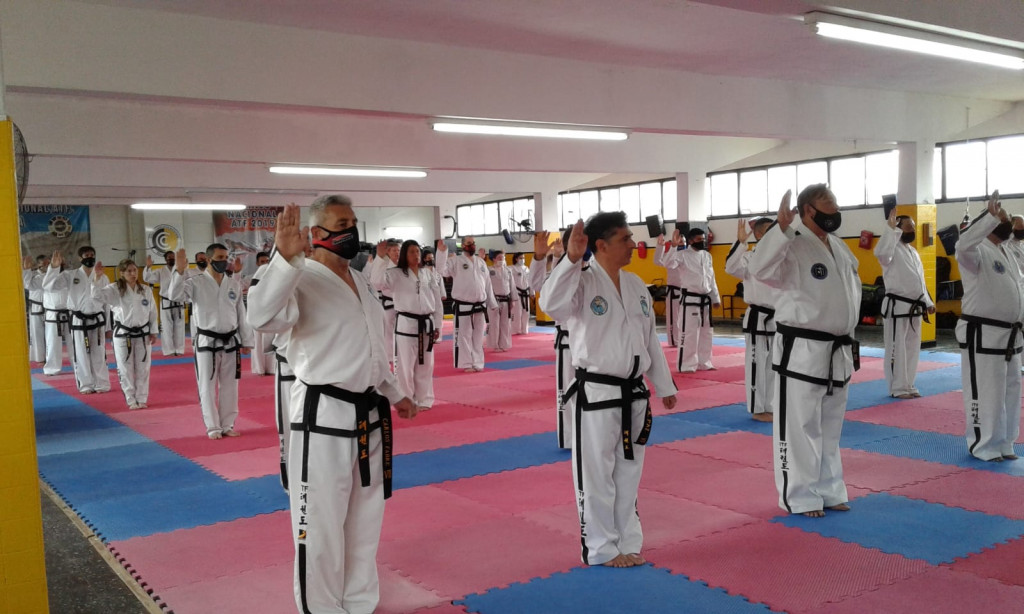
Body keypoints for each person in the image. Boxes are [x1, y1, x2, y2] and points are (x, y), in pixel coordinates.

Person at [246, 196, 418, 614]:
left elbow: (373, 347)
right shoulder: (297, 277)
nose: (351, 231)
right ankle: (321, 607)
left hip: (368, 412)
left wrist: (395, 392)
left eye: (353, 222)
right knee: (320, 523)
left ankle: (358, 601)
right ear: (316, 233)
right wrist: (284, 260)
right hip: (322, 414)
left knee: (364, 518)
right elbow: (260, 317)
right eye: (342, 224)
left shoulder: (359, 279)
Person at [540, 213, 678, 568]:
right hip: (597, 394)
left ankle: (627, 540)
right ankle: (601, 546)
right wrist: (571, 259)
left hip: (634, 393)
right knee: (596, 475)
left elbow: (649, 340)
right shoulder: (581, 282)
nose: (633, 244)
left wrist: (663, 384)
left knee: (628, 471)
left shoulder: (636, 284)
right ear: (601, 245)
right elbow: (550, 305)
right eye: (625, 239)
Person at [748, 185, 860, 517]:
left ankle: (829, 489)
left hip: (837, 350)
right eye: (830, 204)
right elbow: (758, 269)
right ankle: (798, 495)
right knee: (800, 427)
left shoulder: (838, 246)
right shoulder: (791, 242)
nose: (835, 211)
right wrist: (780, 229)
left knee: (829, 427)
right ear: (809, 209)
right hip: (802, 350)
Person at [953, 191, 1023, 462]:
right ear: (988, 223)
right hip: (983, 333)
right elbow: (962, 245)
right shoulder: (975, 251)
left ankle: (1005, 442)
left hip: (1011, 334)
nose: (1008, 223)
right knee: (986, 390)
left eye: (1005, 218)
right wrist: (989, 217)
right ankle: (983, 444)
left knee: (1011, 390)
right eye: (1002, 219)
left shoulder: (1007, 251)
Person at [167, 243, 254, 439]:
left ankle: (227, 424)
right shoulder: (195, 282)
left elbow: (241, 313)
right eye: (220, 258)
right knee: (206, 386)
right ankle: (213, 426)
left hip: (231, 340)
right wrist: (179, 271)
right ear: (208, 260)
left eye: (226, 258)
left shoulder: (232, 284)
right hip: (207, 341)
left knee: (230, 386)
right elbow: (175, 296)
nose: (224, 262)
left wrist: (246, 340)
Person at [875, 210, 936, 399]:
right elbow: (881, 253)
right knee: (896, 349)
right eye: (908, 227)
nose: (913, 230)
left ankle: (908, 384)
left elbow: (919, 281)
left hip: (915, 307)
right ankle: (897, 387)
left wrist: (927, 302)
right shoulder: (891, 249)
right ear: (898, 229)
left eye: (913, 227)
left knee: (912, 348)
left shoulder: (913, 252)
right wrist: (889, 230)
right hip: (897, 307)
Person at [376, 240, 443, 407]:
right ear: (405, 255)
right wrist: (380, 258)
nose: (416, 255)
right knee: (405, 366)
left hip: (427, 323)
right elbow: (376, 282)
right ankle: (407, 399)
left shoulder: (427, 273)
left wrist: (437, 325)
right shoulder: (395, 273)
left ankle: (424, 399)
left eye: (417, 251)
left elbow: (437, 300)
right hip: (406, 324)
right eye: (412, 252)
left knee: (426, 364)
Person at [725, 216, 779, 422]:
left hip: (778, 317)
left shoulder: (780, 256)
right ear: (758, 234)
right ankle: (757, 408)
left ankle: (770, 405)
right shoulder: (748, 258)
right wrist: (740, 243)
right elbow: (730, 268)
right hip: (758, 317)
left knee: (773, 366)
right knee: (757, 365)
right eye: (769, 230)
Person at [43, 246, 112, 394]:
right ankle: (85, 384)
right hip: (79, 319)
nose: (90, 257)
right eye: (86, 255)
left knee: (99, 352)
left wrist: (108, 327)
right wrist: (54, 268)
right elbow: (48, 287)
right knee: (80, 353)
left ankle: (101, 383)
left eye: (92, 254)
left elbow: (107, 303)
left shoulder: (102, 276)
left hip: (98, 318)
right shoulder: (70, 275)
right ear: (80, 258)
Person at [92, 259, 158, 409]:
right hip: (123, 334)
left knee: (143, 368)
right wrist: (97, 278)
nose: (133, 273)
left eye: (135, 270)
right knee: (125, 368)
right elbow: (96, 296)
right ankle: (130, 399)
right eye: (129, 271)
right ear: (122, 273)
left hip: (142, 333)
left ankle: (142, 398)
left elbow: (152, 312)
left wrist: (153, 331)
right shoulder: (114, 289)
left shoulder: (145, 290)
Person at [531, 232, 574, 449]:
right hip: (568, 339)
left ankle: (594, 435)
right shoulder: (559, 270)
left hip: (595, 340)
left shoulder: (596, 269)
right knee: (567, 389)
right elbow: (537, 284)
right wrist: (540, 257)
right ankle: (569, 437)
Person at [664, 227, 721, 372]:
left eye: (703, 239)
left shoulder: (707, 256)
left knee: (706, 334)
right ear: (690, 241)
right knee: (689, 334)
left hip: (705, 300)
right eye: (699, 239)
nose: (702, 242)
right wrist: (673, 247)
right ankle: (686, 364)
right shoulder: (682, 255)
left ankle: (704, 362)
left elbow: (711, 278)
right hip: (690, 300)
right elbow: (667, 263)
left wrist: (715, 298)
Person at [436, 236, 496, 372]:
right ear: (463, 245)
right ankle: (466, 363)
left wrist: (492, 303)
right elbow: (441, 271)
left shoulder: (481, 262)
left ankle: (478, 362)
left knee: (478, 336)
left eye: (473, 243)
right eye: (469, 243)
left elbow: (487, 284)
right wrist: (441, 253)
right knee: (463, 336)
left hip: (480, 305)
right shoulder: (455, 261)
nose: (472, 245)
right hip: (463, 305)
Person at [144, 250, 186, 356]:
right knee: (166, 327)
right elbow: (147, 278)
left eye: (173, 257)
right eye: (169, 257)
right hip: (166, 301)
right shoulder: (161, 271)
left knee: (179, 326)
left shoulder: (181, 270)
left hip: (179, 301)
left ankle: (179, 349)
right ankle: (169, 350)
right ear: (165, 260)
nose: (171, 259)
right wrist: (148, 267)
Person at [370, 239, 401, 368]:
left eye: (398, 250)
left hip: (404, 305)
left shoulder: (403, 265)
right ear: (388, 252)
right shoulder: (383, 265)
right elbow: (375, 282)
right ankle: (389, 356)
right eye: (394, 250)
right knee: (388, 331)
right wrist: (380, 258)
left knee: (402, 331)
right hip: (389, 303)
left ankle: (401, 354)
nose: (397, 252)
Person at [39, 253, 71, 376]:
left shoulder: (69, 275)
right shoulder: (44, 277)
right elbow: (47, 286)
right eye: (56, 261)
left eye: (61, 260)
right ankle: (52, 368)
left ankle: (78, 365)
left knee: (74, 343)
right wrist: (53, 269)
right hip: (53, 313)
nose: (60, 262)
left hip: (69, 312)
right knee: (52, 343)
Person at [653, 233, 685, 346]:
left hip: (687, 291)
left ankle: (684, 339)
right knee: (674, 317)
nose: (682, 244)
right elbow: (657, 261)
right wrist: (660, 247)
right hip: (674, 290)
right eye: (680, 242)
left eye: (683, 242)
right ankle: (674, 341)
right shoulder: (670, 256)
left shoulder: (689, 255)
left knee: (685, 318)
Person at [248, 251, 276, 376]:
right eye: (262, 262)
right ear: (257, 263)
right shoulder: (253, 277)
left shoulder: (275, 277)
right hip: (257, 313)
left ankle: (271, 368)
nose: (265, 264)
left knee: (271, 341)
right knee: (258, 342)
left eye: (267, 261)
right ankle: (259, 368)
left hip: (272, 312)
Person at [22, 254, 49, 363]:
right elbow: (26, 285)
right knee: (37, 333)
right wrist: (26, 269)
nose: (47, 265)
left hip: (49, 308)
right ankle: (40, 358)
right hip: (36, 306)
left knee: (50, 335)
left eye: (48, 263)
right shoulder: (32, 275)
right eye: (44, 263)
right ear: (38, 264)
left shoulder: (52, 275)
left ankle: (49, 357)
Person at [486, 249, 515, 351]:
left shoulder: (508, 270)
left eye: (503, 258)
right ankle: (494, 345)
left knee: (505, 323)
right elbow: (486, 286)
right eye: (499, 258)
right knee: (494, 323)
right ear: (494, 259)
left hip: (506, 299)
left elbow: (512, 286)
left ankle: (504, 344)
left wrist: (513, 300)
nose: (501, 260)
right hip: (494, 299)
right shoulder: (489, 270)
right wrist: (488, 300)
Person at [510, 252, 531, 335]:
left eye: (523, 258)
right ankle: (515, 330)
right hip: (517, 293)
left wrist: (532, 292)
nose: (522, 260)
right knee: (517, 312)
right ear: (516, 259)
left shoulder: (527, 269)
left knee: (526, 312)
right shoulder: (512, 268)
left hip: (526, 293)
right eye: (521, 258)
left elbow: (530, 281)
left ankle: (524, 329)